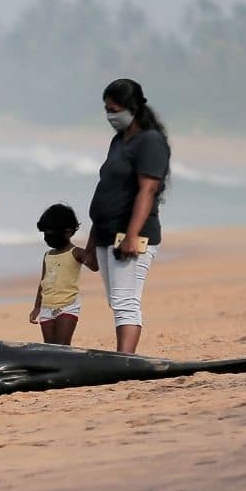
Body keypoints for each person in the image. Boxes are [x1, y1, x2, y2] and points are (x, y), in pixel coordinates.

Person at [85, 78, 170, 354]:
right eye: (107, 110)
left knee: (126, 302)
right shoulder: (118, 142)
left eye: (115, 109)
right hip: (106, 233)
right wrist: (91, 244)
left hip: (132, 235)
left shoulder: (150, 142)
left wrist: (133, 235)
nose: (111, 116)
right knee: (117, 300)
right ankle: (123, 357)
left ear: (132, 107)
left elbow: (147, 190)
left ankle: (125, 359)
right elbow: (106, 189)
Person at [29, 204, 97, 345]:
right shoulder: (47, 255)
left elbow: (94, 265)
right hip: (46, 308)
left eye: (49, 233)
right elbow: (43, 282)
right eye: (44, 234)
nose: (46, 237)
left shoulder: (76, 252)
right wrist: (37, 307)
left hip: (68, 307)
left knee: (62, 346)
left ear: (68, 232)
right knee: (50, 347)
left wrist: (94, 235)